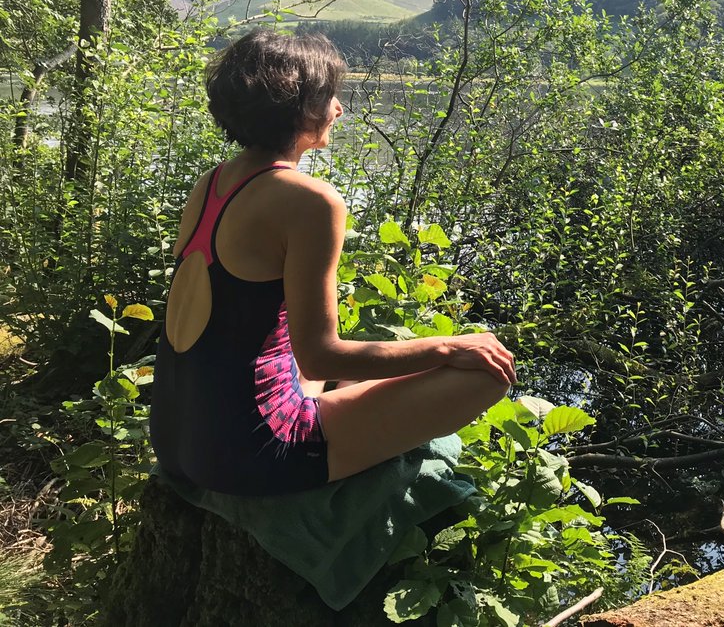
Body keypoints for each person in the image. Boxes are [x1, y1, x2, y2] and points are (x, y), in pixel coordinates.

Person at [150, 29, 514, 495]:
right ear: (298, 106)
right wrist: (449, 346)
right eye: (330, 96)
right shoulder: (310, 200)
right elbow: (320, 354)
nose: (339, 108)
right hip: (248, 452)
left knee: (354, 365)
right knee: (485, 372)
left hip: (176, 437)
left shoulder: (213, 183)